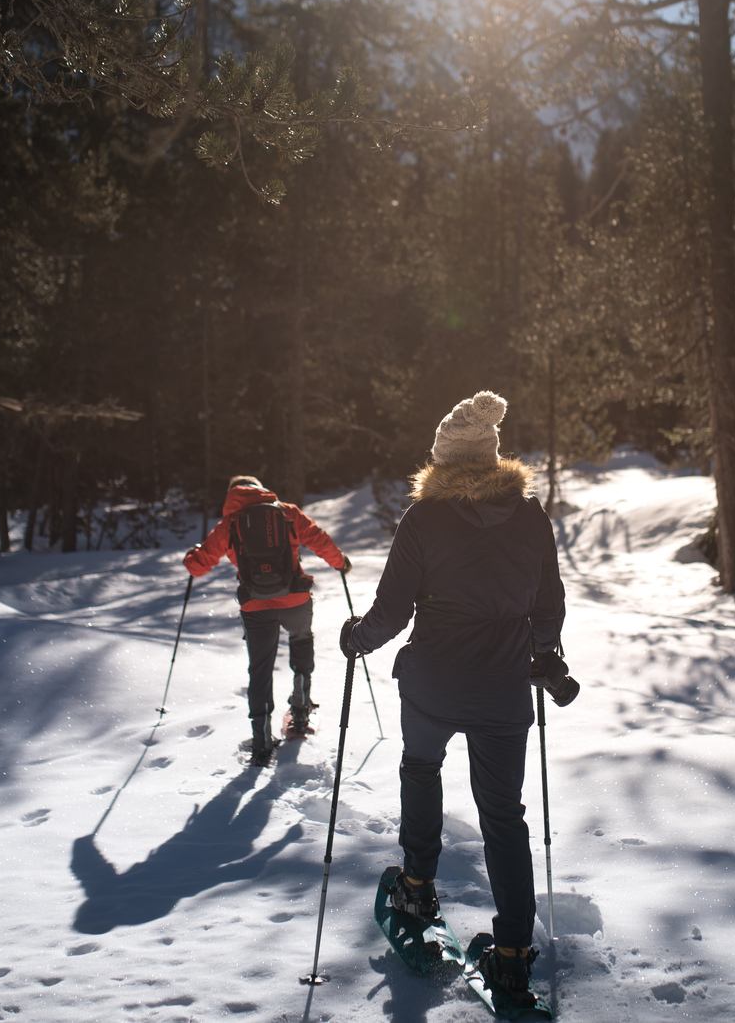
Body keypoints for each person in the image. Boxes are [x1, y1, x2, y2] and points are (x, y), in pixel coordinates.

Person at [339, 391, 565, 1000]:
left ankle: (415, 888)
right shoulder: (531, 516)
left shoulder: (424, 518)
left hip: (434, 682)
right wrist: (547, 654)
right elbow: (548, 604)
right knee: (504, 817)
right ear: (492, 459)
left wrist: (358, 638)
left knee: (421, 767)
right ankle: (514, 951)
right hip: (503, 687)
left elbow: (392, 609)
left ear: (442, 460)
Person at [185, 474, 350, 764]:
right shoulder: (286, 513)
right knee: (301, 643)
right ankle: (300, 713)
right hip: (295, 598)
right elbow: (318, 538)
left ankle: (261, 739)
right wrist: (340, 562)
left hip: (256, 604)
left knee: (260, 668)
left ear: (231, 494)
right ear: (260, 490)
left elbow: (201, 564)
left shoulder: (231, 523)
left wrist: (191, 558)